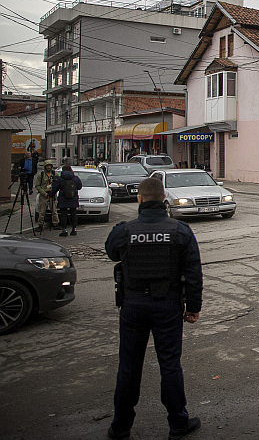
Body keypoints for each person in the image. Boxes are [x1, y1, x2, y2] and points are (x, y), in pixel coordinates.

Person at [104, 177, 203, 440]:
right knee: (170, 365)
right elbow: (194, 273)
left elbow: (110, 252)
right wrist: (193, 307)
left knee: (129, 366)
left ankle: (120, 427)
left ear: (139, 199)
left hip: (133, 305)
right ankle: (178, 423)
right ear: (163, 198)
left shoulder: (125, 230)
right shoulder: (180, 230)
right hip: (167, 305)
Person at [50, 163, 82, 237]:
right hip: (73, 198)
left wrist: (50, 195)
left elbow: (55, 188)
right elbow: (79, 187)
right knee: (73, 214)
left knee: (63, 214)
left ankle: (64, 229)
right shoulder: (75, 178)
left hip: (63, 198)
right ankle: (74, 229)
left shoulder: (60, 178)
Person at [33, 161, 60, 232]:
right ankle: (40, 224)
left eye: (50, 166)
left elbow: (58, 184)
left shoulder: (55, 174)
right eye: (47, 166)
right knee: (42, 210)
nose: (48, 167)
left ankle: (55, 224)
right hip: (44, 194)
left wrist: (53, 192)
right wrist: (43, 193)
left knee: (54, 210)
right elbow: (37, 186)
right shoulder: (41, 175)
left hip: (52, 193)